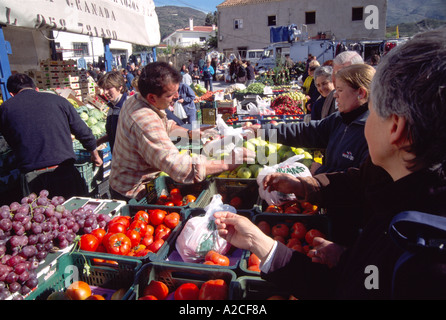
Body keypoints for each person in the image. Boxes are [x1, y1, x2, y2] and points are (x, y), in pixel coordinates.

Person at [215, 28, 446, 299]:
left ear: (395, 127)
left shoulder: (419, 253)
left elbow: (346, 290)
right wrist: (350, 258)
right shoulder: (400, 190)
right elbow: (355, 180)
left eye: (374, 112)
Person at [109, 61, 255, 201]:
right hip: (131, 191)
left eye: (176, 91)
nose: (177, 97)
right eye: (170, 95)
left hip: (136, 181)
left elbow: (166, 124)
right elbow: (179, 168)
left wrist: (189, 133)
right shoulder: (144, 120)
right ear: (152, 98)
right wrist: (226, 163)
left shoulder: (137, 100)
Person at [246, 63, 375, 176]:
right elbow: (307, 131)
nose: (335, 94)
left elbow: (360, 182)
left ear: (361, 93)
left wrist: (321, 171)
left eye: (340, 90)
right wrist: (263, 130)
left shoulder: (371, 133)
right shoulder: (340, 120)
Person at [0, 73, 103, 199]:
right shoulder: (59, 101)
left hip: (32, 177)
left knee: (40, 216)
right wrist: (95, 155)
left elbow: (8, 140)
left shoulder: (5, 109)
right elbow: (83, 131)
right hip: (64, 171)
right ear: (36, 88)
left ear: (11, 94)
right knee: (71, 215)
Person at [321, 50, 364, 119]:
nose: (336, 78)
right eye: (335, 73)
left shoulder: (369, 110)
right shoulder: (330, 96)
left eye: (342, 74)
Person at [96, 71, 129, 153]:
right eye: (103, 89)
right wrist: (98, 141)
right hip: (117, 157)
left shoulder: (128, 106)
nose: (105, 92)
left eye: (108, 88)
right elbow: (113, 134)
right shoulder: (112, 108)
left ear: (120, 87)